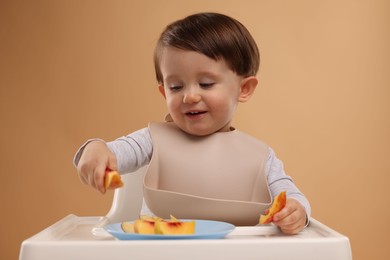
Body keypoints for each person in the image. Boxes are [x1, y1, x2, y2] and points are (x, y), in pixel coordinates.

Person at [74, 12, 311, 234]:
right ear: (164, 92)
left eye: (206, 84)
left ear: (244, 88)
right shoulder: (152, 140)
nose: (189, 97)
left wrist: (296, 211)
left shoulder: (260, 157)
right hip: (161, 252)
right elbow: (114, 153)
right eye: (176, 87)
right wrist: (95, 148)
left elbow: (291, 196)